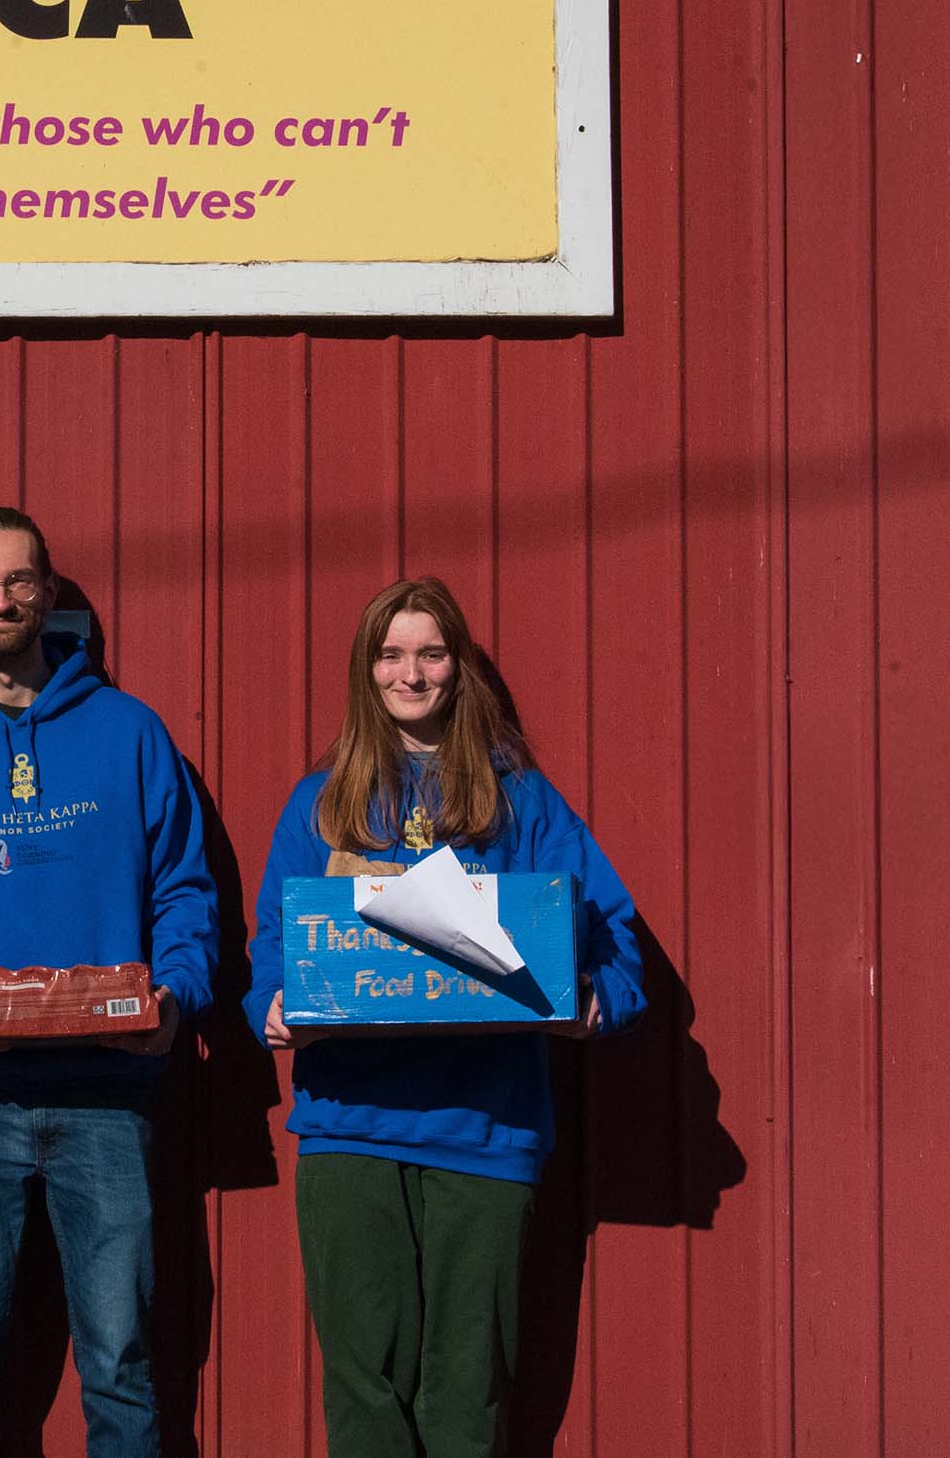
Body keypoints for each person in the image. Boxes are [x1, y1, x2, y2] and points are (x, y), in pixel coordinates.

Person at [246, 576, 646, 1458]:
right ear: (366, 669)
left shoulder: (521, 799)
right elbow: (273, 941)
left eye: (431, 653)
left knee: (468, 1394)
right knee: (365, 1390)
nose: (412, 673)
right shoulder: (320, 803)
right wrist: (267, 1004)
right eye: (391, 654)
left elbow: (614, 937)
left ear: (459, 667)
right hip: (351, 1129)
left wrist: (596, 1000)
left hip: (485, 1129)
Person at [0, 505, 220, 1458]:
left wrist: (174, 996)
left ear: (49, 589)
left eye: (18, 580)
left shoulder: (129, 731)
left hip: (108, 1089)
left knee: (123, 1361)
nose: (0, 599)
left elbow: (184, 890)